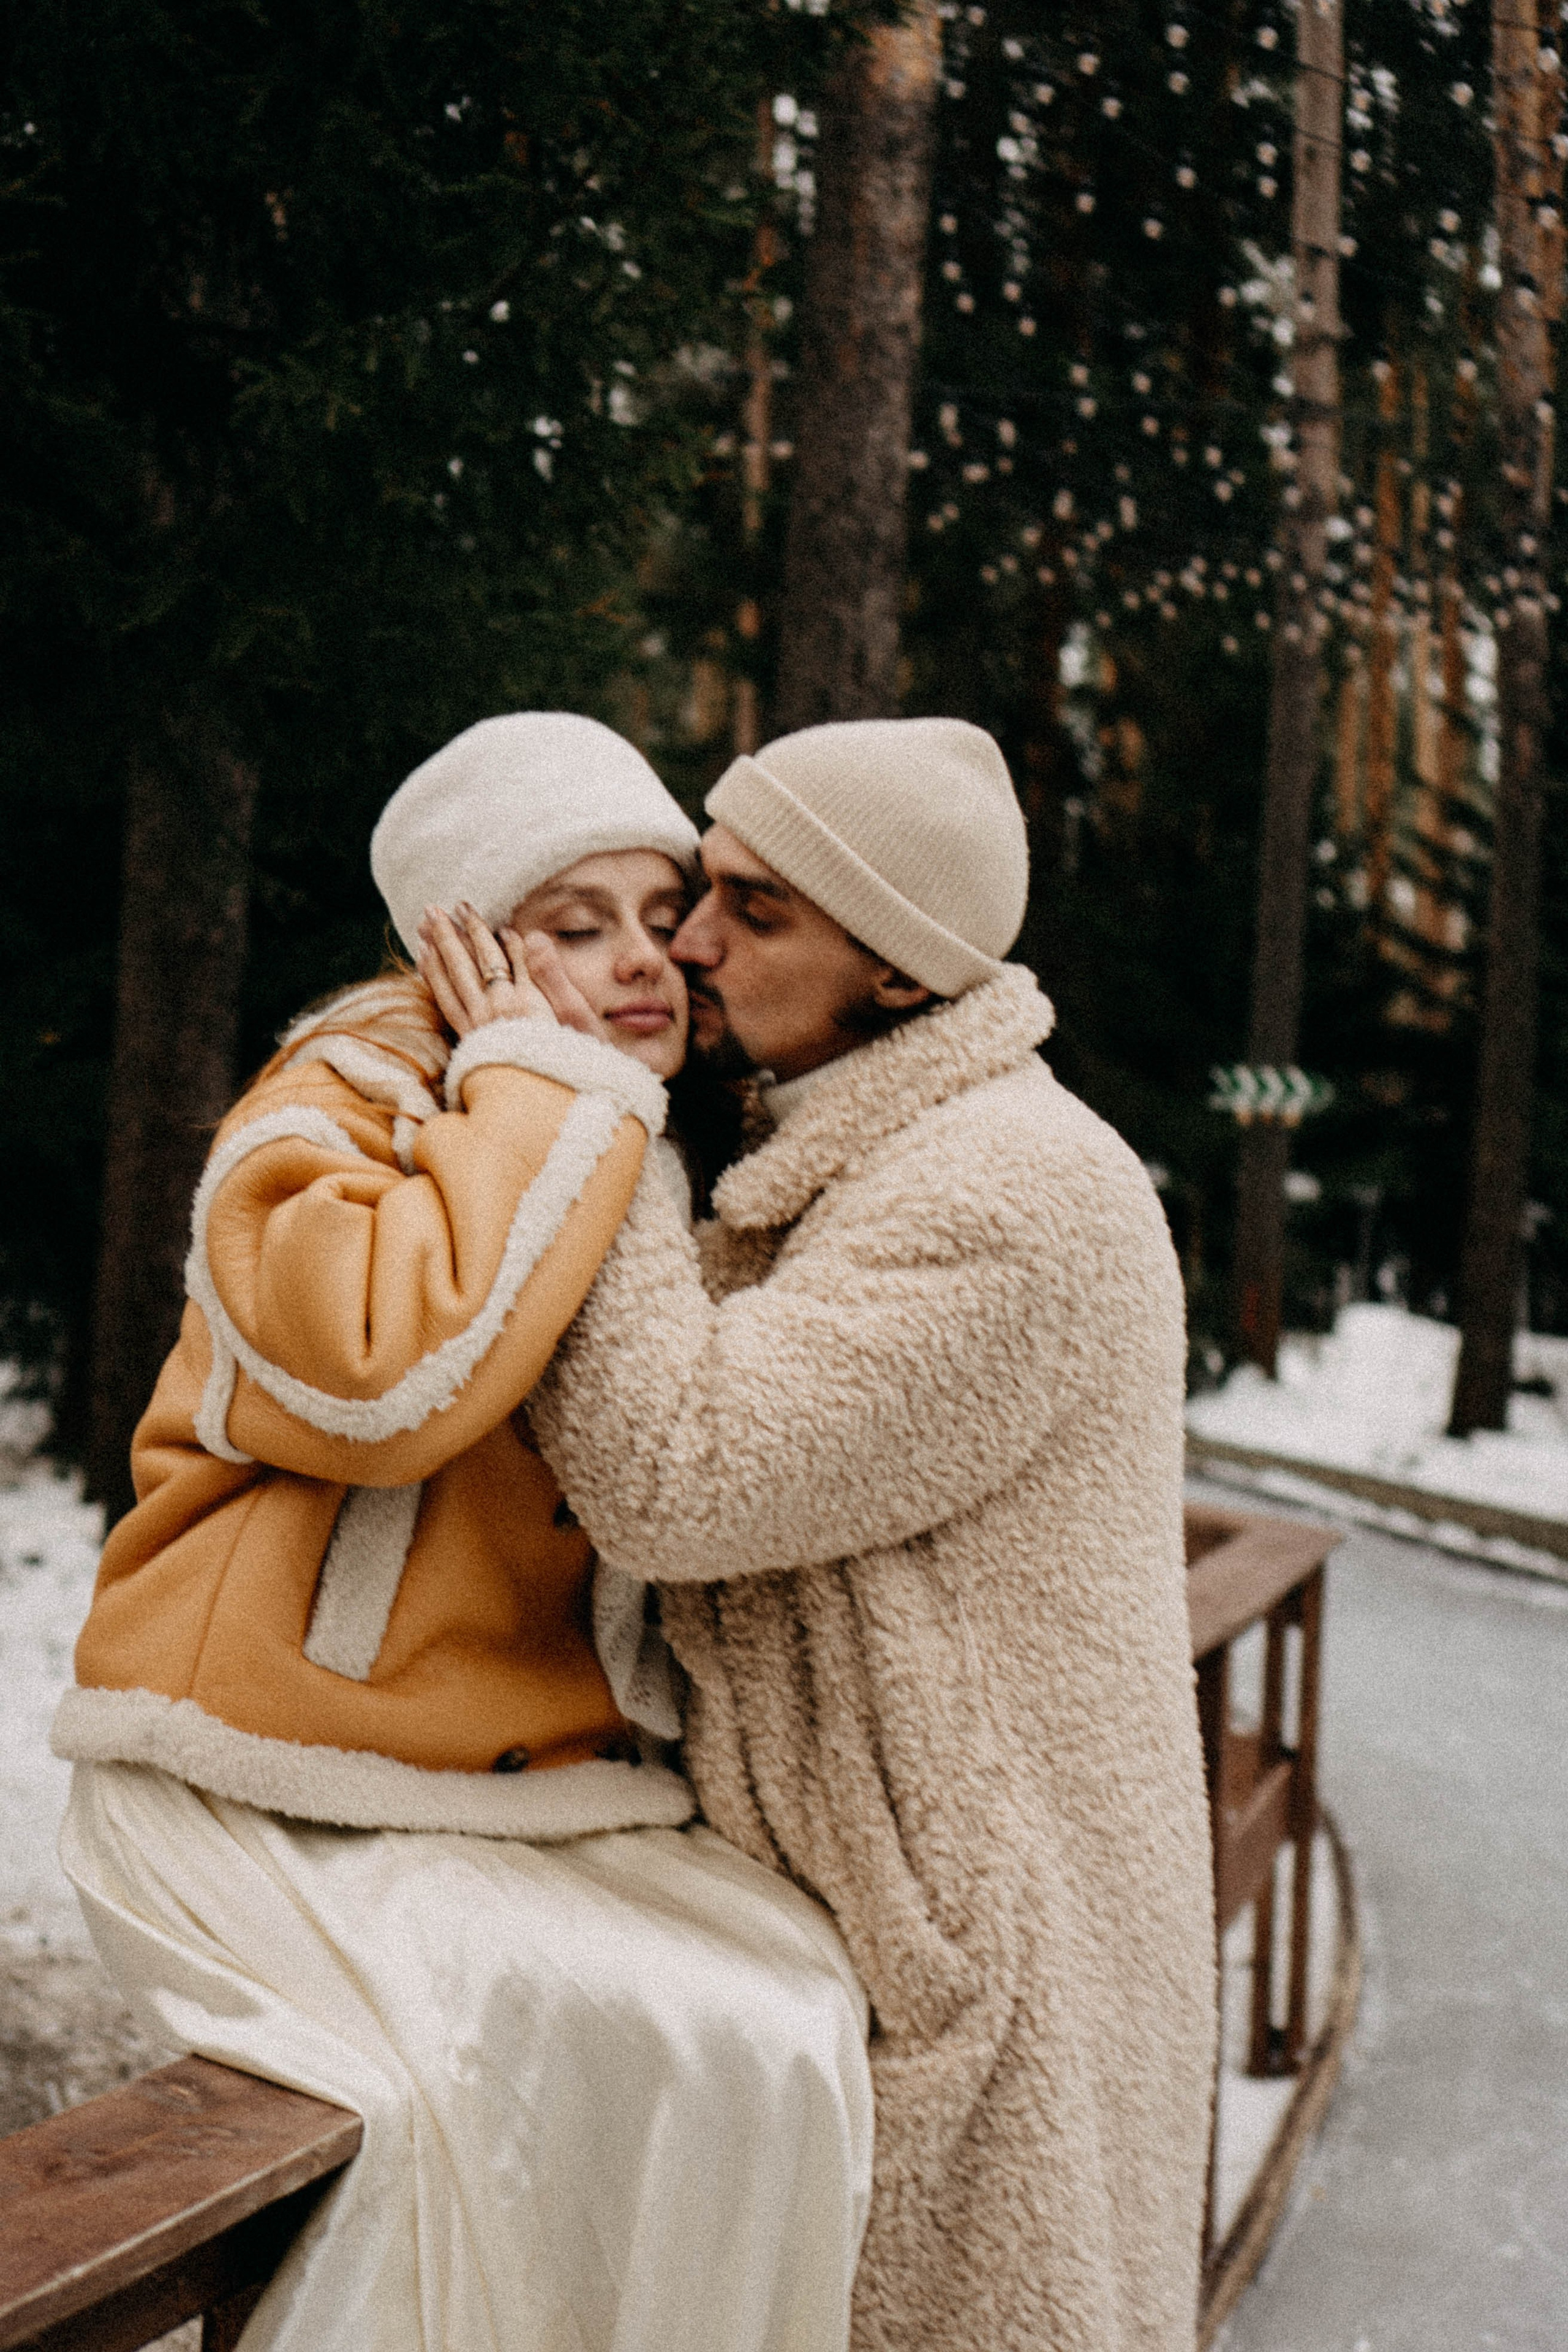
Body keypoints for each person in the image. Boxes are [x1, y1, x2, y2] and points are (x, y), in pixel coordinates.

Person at [53, 711, 874, 2352]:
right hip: (265, 1766)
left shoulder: (638, 1130)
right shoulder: (330, 1104)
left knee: (787, 2011)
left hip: (516, 1785)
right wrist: (534, 1084)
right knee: (494, 2091)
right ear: (459, 950)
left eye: (660, 917)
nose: (643, 963)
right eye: (575, 927)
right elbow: (378, 1375)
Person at [450, 715, 1218, 2352]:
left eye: (761, 912)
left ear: (901, 971)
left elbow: (680, 1470)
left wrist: (581, 1100)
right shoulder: (869, 1154)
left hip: (990, 1973)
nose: (691, 942)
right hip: (878, 1936)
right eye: (701, 890)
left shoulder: (1014, 1193)